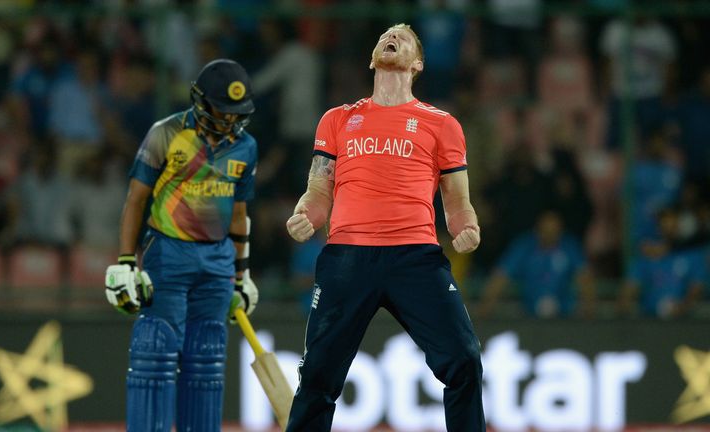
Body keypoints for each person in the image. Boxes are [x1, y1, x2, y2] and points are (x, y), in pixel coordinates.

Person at [285, 23, 486, 431]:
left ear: (417, 64)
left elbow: (457, 200)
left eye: (403, 36)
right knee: (319, 374)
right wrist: (307, 213)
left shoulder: (442, 124)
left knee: (464, 360)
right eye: (385, 35)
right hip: (347, 258)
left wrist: (466, 226)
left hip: (415, 258)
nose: (391, 36)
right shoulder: (337, 120)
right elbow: (319, 189)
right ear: (372, 57)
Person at [104, 59, 260, 432]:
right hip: (168, 252)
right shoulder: (166, 133)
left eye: (234, 114)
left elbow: (238, 215)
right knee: (156, 349)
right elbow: (136, 199)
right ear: (201, 102)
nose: (227, 122)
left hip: (219, 259)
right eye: (221, 112)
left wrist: (242, 275)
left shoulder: (246, 147)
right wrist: (126, 261)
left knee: (206, 356)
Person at [477, 209, 596, 319]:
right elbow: (500, 276)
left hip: (564, 317)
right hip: (529, 316)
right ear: (537, 230)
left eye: (554, 232)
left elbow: (584, 277)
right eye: (546, 232)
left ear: (560, 231)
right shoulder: (524, 246)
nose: (550, 236)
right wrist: (485, 309)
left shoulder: (569, 246)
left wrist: (589, 310)